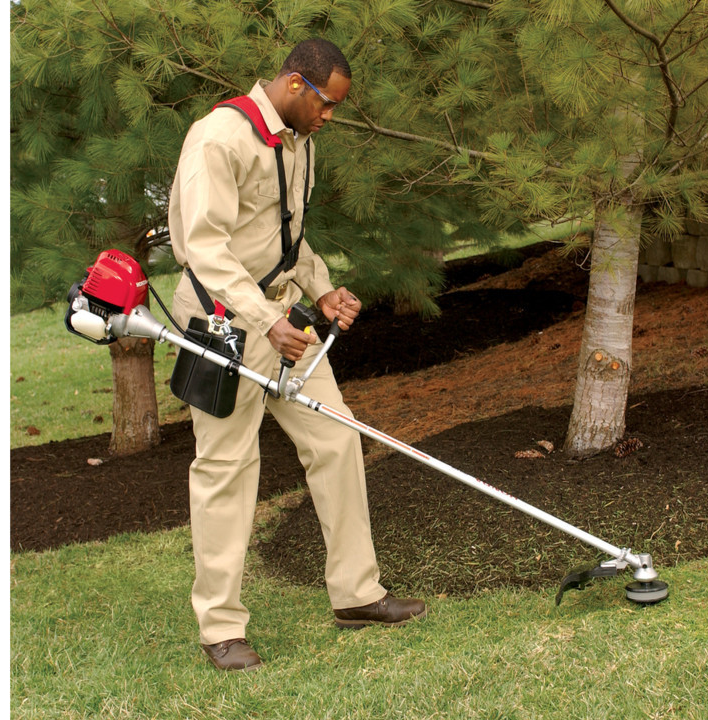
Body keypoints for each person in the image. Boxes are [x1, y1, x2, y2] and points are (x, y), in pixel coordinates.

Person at [166, 38, 426, 672]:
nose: (330, 117)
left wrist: (322, 288)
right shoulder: (218, 138)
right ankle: (221, 627)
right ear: (294, 84)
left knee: (337, 439)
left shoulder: (297, 141)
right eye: (327, 104)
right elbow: (205, 248)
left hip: (284, 317)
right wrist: (267, 320)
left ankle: (357, 594)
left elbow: (289, 237)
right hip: (223, 320)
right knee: (228, 467)